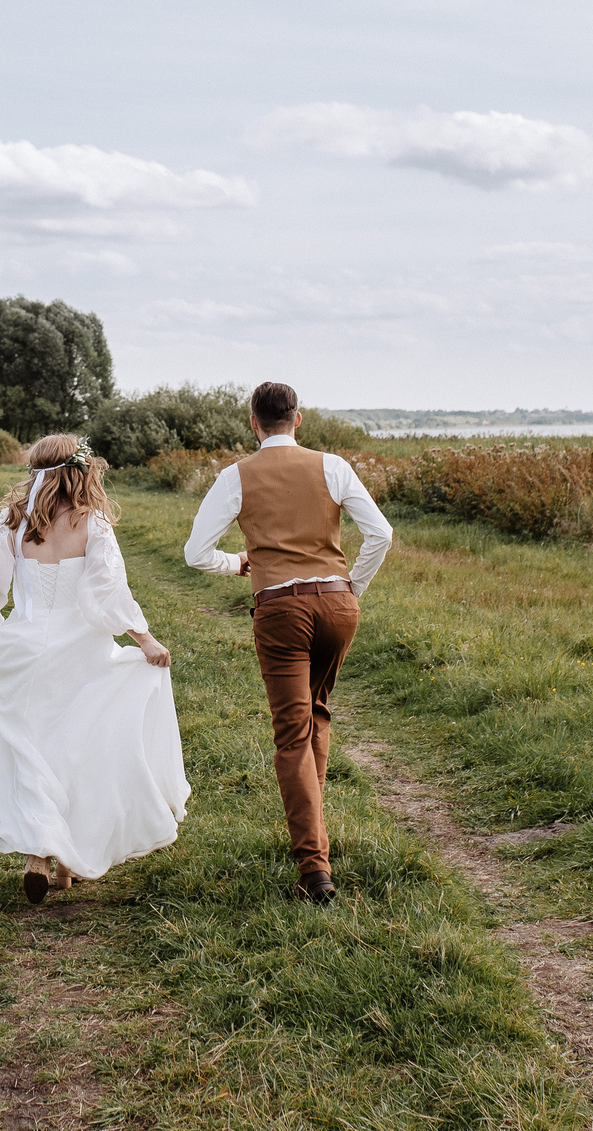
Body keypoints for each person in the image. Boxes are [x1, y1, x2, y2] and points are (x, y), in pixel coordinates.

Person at [0, 434, 192, 904]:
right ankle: (65, 865)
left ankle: (36, 858)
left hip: (22, 644)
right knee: (75, 748)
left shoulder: (14, 519)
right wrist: (143, 638)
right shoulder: (92, 522)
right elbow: (105, 591)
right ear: (83, 471)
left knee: (28, 747)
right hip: (80, 650)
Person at [183, 382, 393, 903]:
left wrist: (235, 564)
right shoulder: (333, 466)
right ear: (297, 419)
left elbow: (194, 552)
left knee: (292, 734)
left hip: (280, 609)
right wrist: (350, 587)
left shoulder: (237, 476)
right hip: (337, 605)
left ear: (254, 423)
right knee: (317, 714)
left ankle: (313, 870)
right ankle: (315, 838)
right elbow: (381, 534)